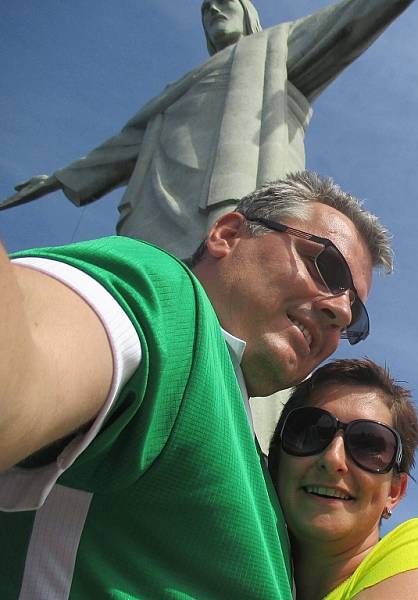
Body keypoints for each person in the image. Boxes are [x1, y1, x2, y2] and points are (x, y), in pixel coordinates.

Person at [0, 171, 392, 598]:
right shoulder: (170, 310)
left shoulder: (264, 471)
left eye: (355, 313)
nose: (340, 310)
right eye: (326, 266)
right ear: (227, 234)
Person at [1, 0, 414, 258]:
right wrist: (58, 179)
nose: (214, 12)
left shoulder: (273, 51)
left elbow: (350, 21)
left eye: (224, 4)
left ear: (248, 15)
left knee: (224, 286)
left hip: (228, 196)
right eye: (207, 10)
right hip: (158, 202)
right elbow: (128, 142)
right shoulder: (184, 84)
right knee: (143, 291)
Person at [268, 358, 418, 600]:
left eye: (368, 445)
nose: (334, 458)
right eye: (311, 432)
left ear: (394, 492)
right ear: (277, 459)